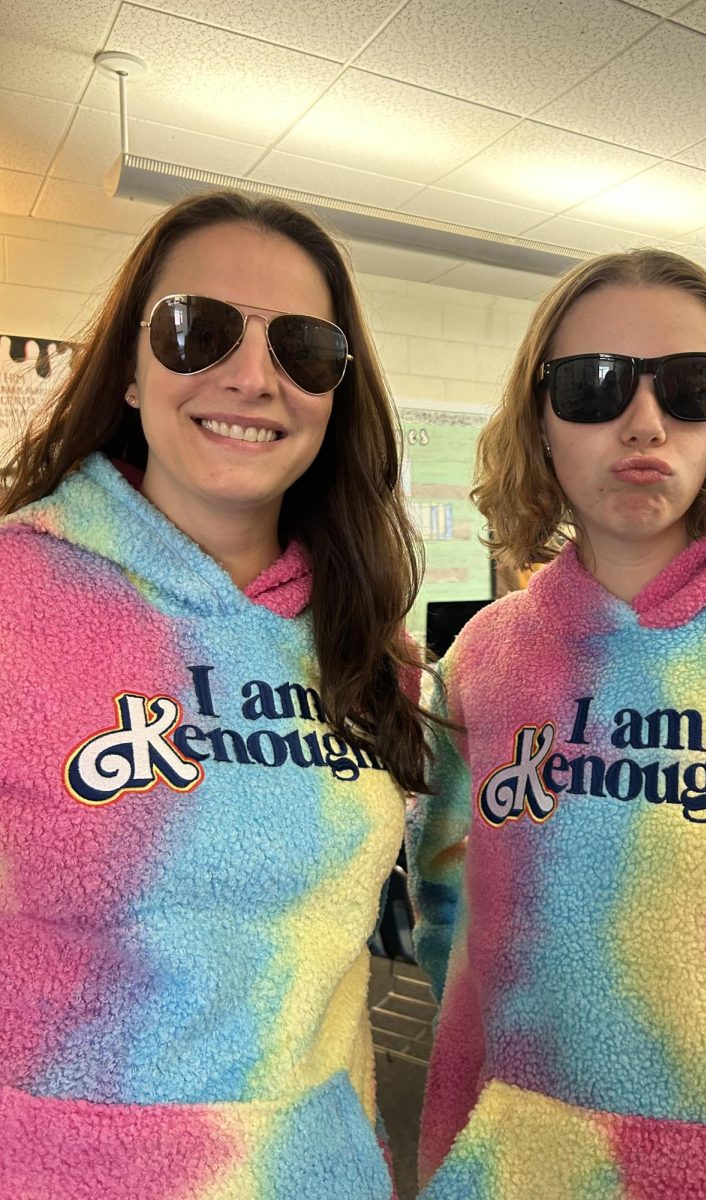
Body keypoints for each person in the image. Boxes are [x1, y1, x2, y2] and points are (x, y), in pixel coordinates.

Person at [408, 248, 706, 1199]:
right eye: (592, 387)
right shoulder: (488, 660)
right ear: (538, 418)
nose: (644, 423)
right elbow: (448, 926)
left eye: (690, 387)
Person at [0, 190, 430, 1199]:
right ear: (133, 371)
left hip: (317, 1170)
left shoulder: (365, 644)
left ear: (336, 394)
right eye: (198, 332)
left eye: (305, 350)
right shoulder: (16, 593)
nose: (253, 377)